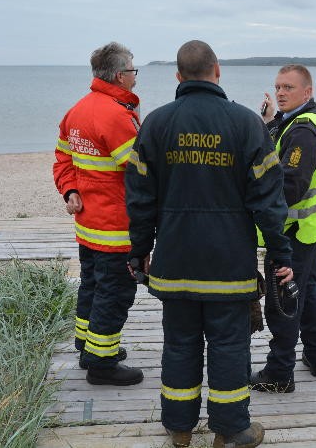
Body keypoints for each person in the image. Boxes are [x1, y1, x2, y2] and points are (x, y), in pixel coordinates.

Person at [125, 40, 293, 448]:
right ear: (217, 71)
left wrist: (139, 249)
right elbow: (269, 201)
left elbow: (139, 197)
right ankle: (231, 429)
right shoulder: (246, 124)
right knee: (229, 348)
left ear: (178, 76)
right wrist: (281, 254)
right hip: (228, 265)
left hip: (176, 261)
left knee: (179, 345)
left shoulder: (156, 124)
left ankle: (179, 429)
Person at [53, 42, 144, 386]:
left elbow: (63, 160)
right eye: (133, 70)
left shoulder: (77, 110)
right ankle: (102, 365)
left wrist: (70, 190)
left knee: (91, 286)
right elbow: (141, 170)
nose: (135, 77)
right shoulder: (115, 115)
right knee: (115, 294)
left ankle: (87, 347)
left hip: (87, 225)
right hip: (115, 227)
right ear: (120, 75)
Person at [251, 64, 316, 393]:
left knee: (283, 303)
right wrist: (270, 123)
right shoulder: (302, 121)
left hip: (292, 234)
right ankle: (315, 354)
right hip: (309, 229)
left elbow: (290, 186)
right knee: (307, 293)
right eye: (278, 87)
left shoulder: (302, 130)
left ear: (307, 92)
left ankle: (279, 373)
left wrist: (254, 199)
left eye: (289, 88)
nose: (281, 93)